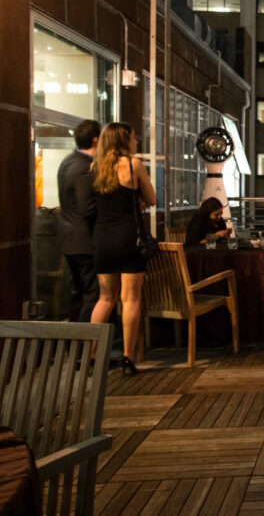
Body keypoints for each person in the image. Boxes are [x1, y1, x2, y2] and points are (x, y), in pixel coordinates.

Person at [89, 122, 156, 375]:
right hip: (129, 238)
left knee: (105, 298)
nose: (136, 141)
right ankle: (128, 357)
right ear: (124, 140)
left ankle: (92, 354)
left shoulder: (95, 166)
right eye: (133, 137)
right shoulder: (133, 165)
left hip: (103, 238)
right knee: (131, 299)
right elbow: (151, 199)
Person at [57, 119, 101, 323]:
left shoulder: (67, 162)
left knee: (77, 292)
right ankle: (86, 347)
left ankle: (72, 343)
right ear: (95, 140)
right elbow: (87, 207)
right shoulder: (84, 167)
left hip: (68, 239)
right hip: (84, 241)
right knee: (92, 295)